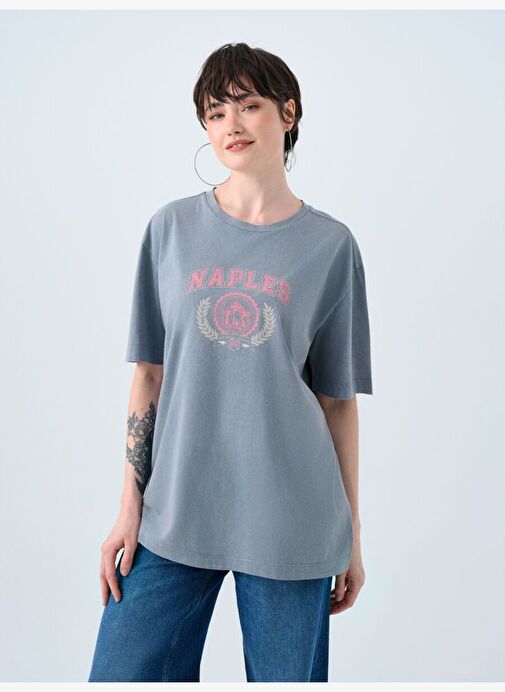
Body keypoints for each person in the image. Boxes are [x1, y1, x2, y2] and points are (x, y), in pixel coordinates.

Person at [88, 42, 373, 683]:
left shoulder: (330, 246)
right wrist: (129, 506)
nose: (231, 125)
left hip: (292, 521)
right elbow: (149, 374)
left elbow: (337, 400)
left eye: (248, 105)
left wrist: (352, 533)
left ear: (288, 113)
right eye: (215, 113)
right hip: (174, 513)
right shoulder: (170, 230)